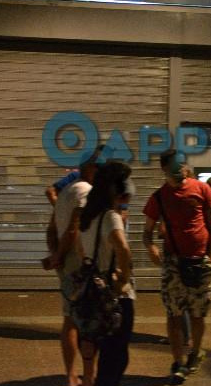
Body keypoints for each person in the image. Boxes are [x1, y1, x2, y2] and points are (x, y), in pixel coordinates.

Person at [142, 150, 211, 385]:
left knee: (198, 314)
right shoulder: (159, 197)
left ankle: (195, 352)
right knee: (174, 314)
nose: (180, 169)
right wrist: (151, 247)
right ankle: (178, 362)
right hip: (174, 263)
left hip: (200, 261)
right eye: (174, 165)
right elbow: (147, 232)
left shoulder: (202, 189)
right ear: (164, 169)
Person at [76, 161, 134, 386]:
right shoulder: (110, 216)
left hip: (92, 291)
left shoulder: (88, 216)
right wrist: (123, 280)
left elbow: (81, 250)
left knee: (101, 347)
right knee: (115, 355)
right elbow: (123, 249)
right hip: (113, 295)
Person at [53, 155, 99, 386]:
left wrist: (56, 256)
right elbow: (74, 228)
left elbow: (51, 228)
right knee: (88, 322)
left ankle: (71, 374)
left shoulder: (65, 191)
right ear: (90, 168)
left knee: (70, 319)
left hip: (68, 262)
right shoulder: (85, 191)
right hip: (80, 263)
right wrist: (61, 255)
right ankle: (89, 374)